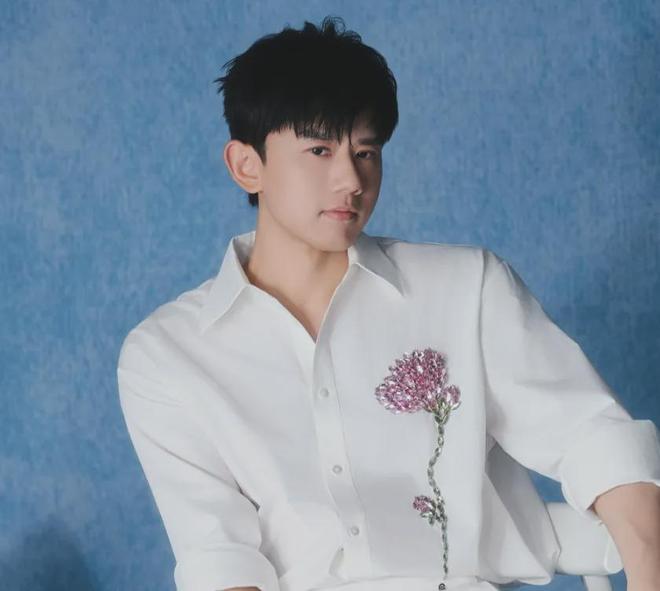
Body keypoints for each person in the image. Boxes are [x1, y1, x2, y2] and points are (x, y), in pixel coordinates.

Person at [116, 15, 660, 591]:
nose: (351, 179)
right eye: (319, 149)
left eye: (366, 151)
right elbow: (220, 561)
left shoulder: (466, 289)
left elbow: (597, 443)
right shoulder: (167, 355)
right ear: (246, 165)